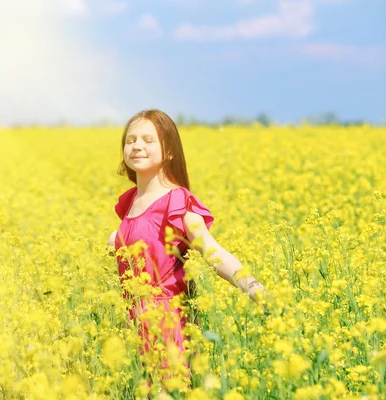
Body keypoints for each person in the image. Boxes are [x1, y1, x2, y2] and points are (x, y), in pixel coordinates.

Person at [107, 109, 268, 387]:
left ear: (169, 150)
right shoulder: (130, 202)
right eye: (130, 140)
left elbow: (213, 253)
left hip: (166, 322)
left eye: (148, 140)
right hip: (131, 321)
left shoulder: (177, 203)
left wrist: (254, 288)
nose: (136, 146)